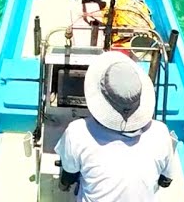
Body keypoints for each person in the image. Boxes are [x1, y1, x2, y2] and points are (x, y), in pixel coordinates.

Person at [55, 51, 177, 201]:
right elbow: (165, 181)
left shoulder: (77, 132)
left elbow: (69, 175)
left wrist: (63, 185)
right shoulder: (161, 133)